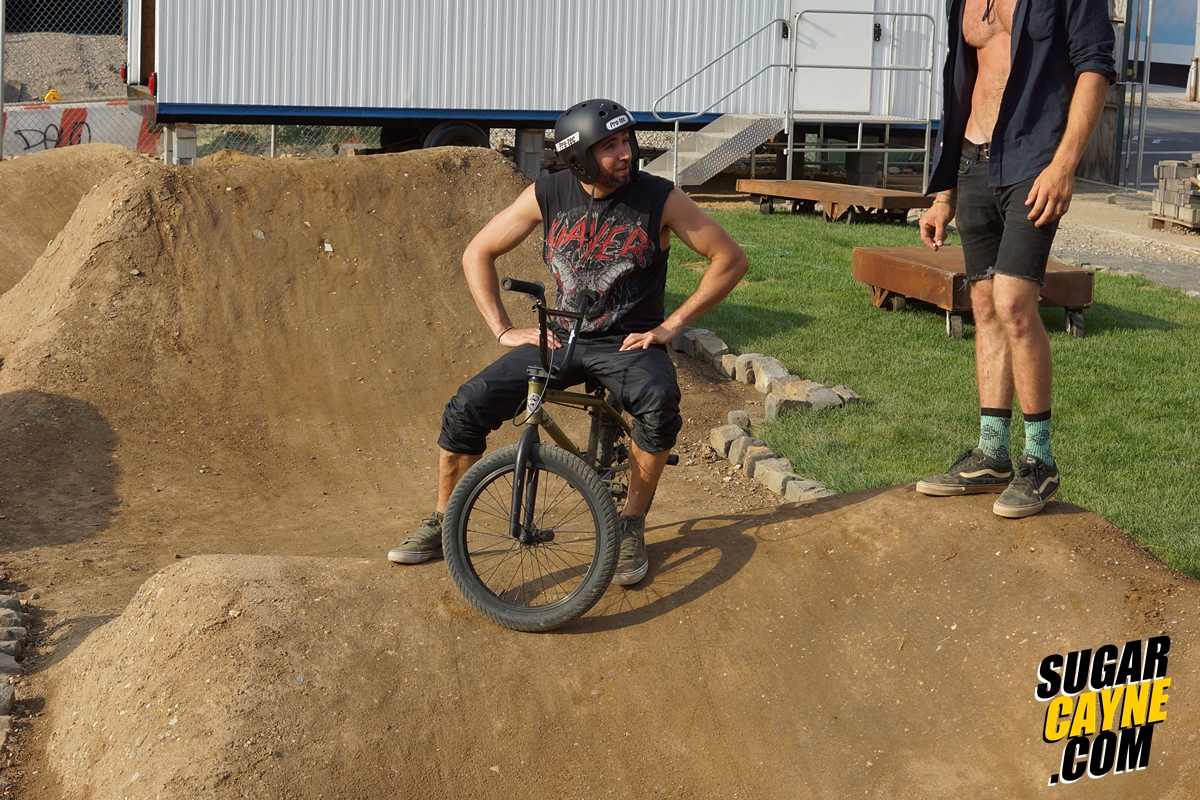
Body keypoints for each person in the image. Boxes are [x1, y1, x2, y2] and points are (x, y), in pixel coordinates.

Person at [388, 98, 748, 584]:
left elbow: (729, 259)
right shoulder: (548, 193)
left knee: (659, 404)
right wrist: (501, 328)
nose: (626, 154)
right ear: (579, 158)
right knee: (466, 405)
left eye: (626, 141)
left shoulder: (661, 198)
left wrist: (670, 327)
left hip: (626, 343)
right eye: (610, 147)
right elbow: (479, 251)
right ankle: (442, 519)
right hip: (558, 337)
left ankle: (628, 525)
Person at [915, 0, 1115, 518]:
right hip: (972, 159)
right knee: (982, 303)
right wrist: (944, 194)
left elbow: (1095, 66)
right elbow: (961, 83)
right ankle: (992, 454)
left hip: (1034, 159)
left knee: (1014, 301)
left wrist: (1065, 164)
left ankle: (1040, 460)